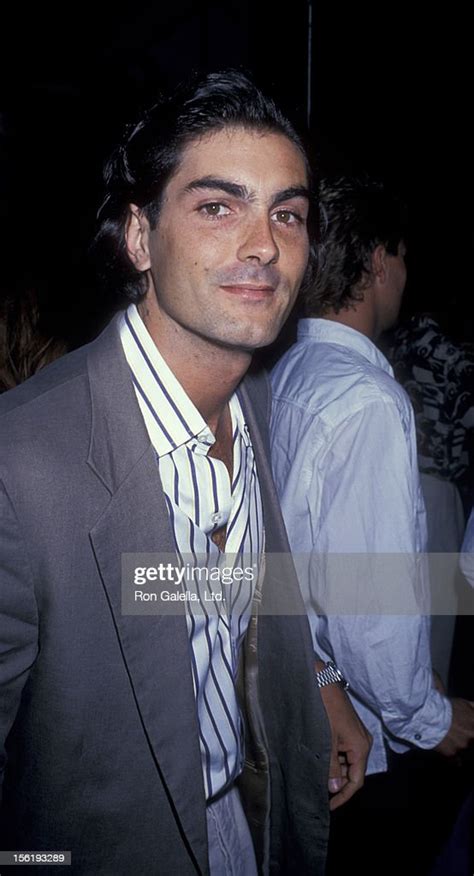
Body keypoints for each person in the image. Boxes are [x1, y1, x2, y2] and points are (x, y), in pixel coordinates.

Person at [0, 73, 370, 875]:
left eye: (288, 213)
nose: (264, 243)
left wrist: (321, 679)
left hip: (244, 822)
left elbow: (193, 586)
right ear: (139, 237)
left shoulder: (256, 405)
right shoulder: (21, 466)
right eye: (217, 206)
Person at [270, 175, 474, 876]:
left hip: (307, 693)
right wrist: (427, 716)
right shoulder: (366, 398)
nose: (407, 277)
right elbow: (368, 607)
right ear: (379, 260)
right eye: (404, 258)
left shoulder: (291, 368)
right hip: (358, 732)